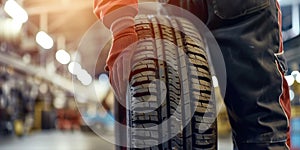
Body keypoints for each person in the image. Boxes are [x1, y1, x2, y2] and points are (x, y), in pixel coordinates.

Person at [93, 0, 291, 149]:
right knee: (262, 127)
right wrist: (122, 26)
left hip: (181, 7)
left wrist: (122, 23)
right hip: (210, 6)